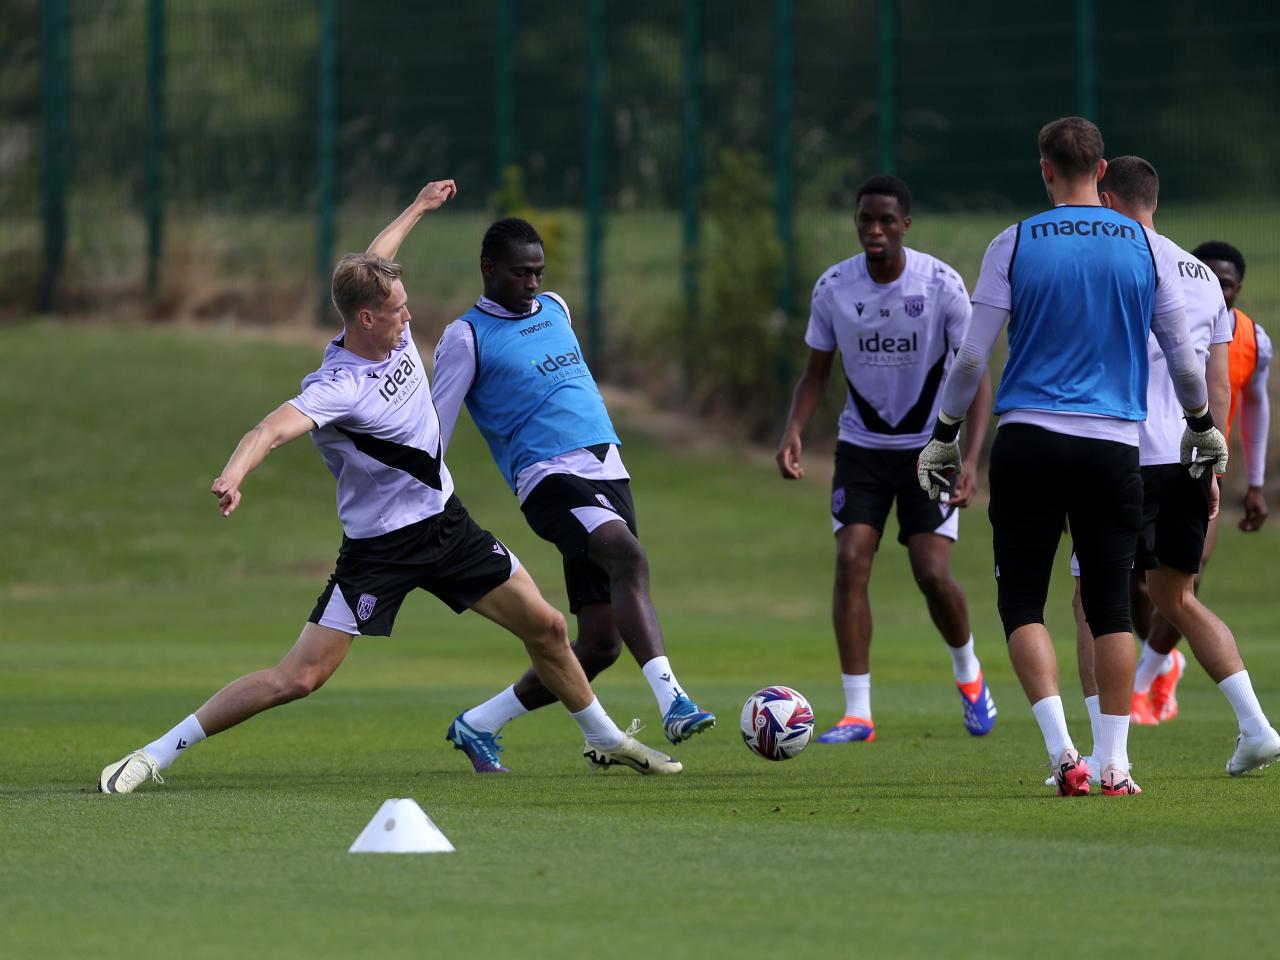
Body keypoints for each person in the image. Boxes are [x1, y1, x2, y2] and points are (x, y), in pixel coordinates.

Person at [97, 182, 679, 794]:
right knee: (298, 679)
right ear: (366, 318)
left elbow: (377, 254)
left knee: (550, 629)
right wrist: (233, 475)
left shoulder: (389, 328)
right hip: (380, 551)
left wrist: (420, 209)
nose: (412, 318)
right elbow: (270, 429)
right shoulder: (336, 387)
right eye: (399, 309)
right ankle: (156, 752)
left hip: (447, 525)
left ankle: (604, 738)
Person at [917, 118, 1225, 797]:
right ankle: (1115, 764)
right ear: (1103, 169)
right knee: (1112, 605)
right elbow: (1181, 352)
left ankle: (1064, 755)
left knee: (1024, 600)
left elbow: (972, 354)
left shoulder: (1016, 239)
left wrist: (944, 434)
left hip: (1028, 439)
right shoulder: (1143, 243)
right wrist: (1201, 425)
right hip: (1114, 445)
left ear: (1045, 170)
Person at [429, 216, 714, 773]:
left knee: (600, 644)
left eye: (538, 272)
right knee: (627, 556)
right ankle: (673, 701)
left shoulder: (556, 307)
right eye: (519, 274)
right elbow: (434, 430)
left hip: (608, 466)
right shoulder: (465, 336)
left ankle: (479, 723)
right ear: (488, 270)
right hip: (548, 478)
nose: (532, 283)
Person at [1060, 157, 1278, 779]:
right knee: (1176, 596)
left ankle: (1105, 756)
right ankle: (1257, 727)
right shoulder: (1202, 274)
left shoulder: (1108, 265)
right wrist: (1211, 462)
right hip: (1185, 455)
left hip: (1119, 455)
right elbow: (1218, 380)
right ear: (1155, 200)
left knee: (1089, 600)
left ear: (1106, 200)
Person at [775, 174, 997, 745]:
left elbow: (975, 373)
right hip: (862, 450)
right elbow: (816, 373)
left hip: (932, 449)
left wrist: (971, 459)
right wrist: (794, 431)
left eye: (886, 220)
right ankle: (858, 713)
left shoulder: (942, 286)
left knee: (932, 574)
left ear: (905, 225)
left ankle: (970, 678)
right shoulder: (833, 289)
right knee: (851, 560)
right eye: (865, 219)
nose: (874, 230)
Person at [1131, 240, 1272, 721]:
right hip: (1140, 462)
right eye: (1208, 277)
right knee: (1140, 589)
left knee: (1181, 583)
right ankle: (1163, 661)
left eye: (1227, 282)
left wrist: (1251, 481)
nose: (1217, 287)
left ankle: (1141, 683)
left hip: (1198, 469)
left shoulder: (1253, 338)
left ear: (1238, 287)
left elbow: (1254, 404)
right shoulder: (1157, 316)